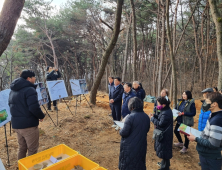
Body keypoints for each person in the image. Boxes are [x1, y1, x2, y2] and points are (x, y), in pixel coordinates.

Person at [8, 70, 45, 160]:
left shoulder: (13, 90)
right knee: (32, 149)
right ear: (29, 78)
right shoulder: (29, 90)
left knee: (22, 148)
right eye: (34, 77)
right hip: (28, 126)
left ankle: (21, 167)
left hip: (17, 125)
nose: (35, 78)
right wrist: (41, 116)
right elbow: (34, 108)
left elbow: (11, 105)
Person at [188, 92, 222, 170]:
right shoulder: (212, 115)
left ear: (214, 104)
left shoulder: (217, 120)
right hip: (206, 155)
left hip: (211, 158)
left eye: (207, 101)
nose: (204, 104)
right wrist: (197, 135)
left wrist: (195, 138)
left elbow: (213, 144)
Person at [119, 97, 150, 170]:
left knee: (129, 165)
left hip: (130, 147)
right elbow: (147, 129)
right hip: (141, 145)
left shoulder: (130, 117)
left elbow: (124, 133)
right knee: (139, 163)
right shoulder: (146, 117)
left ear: (131, 106)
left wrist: (121, 128)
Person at [150, 97, 173, 170]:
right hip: (166, 133)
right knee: (165, 150)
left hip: (165, 134)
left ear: (163, 104)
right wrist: (154, 116)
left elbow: (160, 123)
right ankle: (165, 164)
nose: (157, 105)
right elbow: (161, 118)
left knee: (164, 150)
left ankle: (164, 167)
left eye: (158, 104)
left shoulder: (166, 112)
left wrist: (152, 119)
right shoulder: (165, 110)